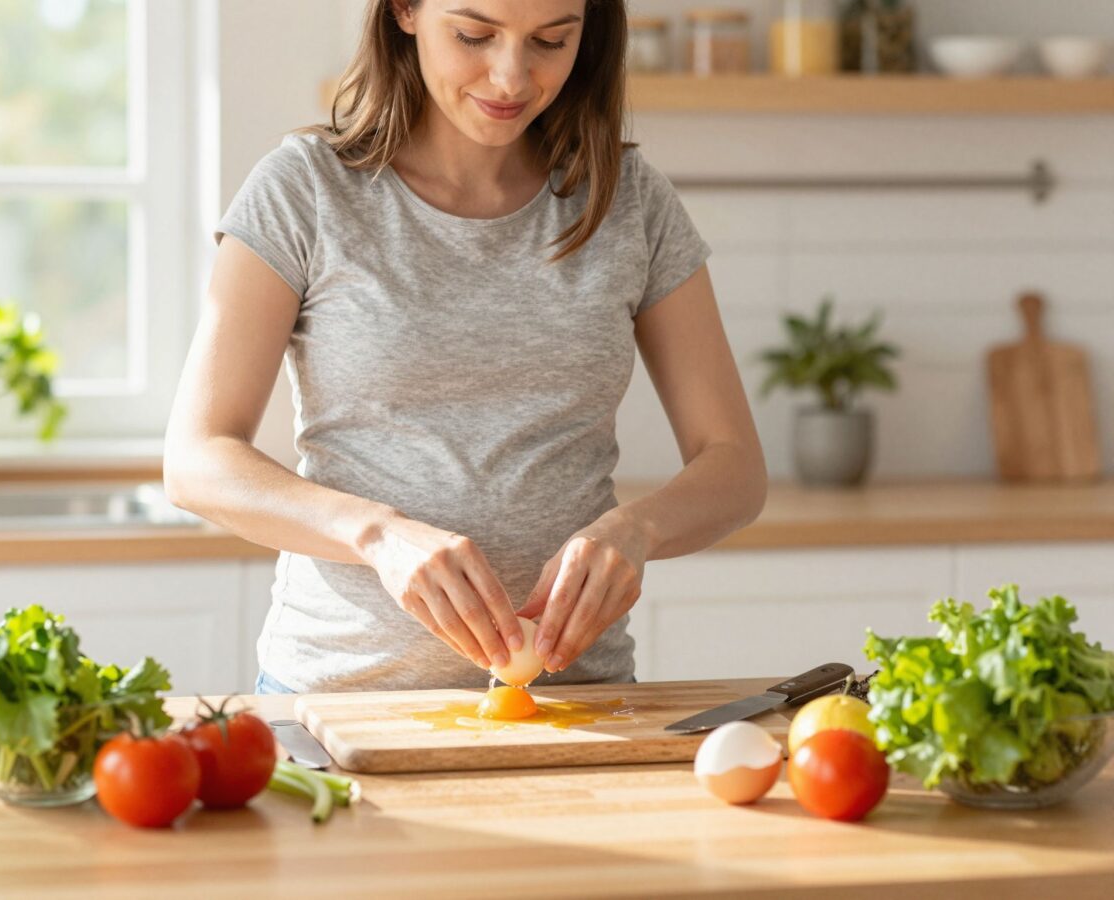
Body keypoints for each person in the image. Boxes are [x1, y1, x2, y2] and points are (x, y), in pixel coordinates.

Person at [163, 0, 767, 696]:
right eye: (474, 35)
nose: (511, 77)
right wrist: (377, 535)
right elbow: (197, 459)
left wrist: (637, 531)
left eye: (551, 40)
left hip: (575, 698)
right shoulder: (306, 190)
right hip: (341, 697)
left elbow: (735, 466)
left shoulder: (628, 202)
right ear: (406, 11)